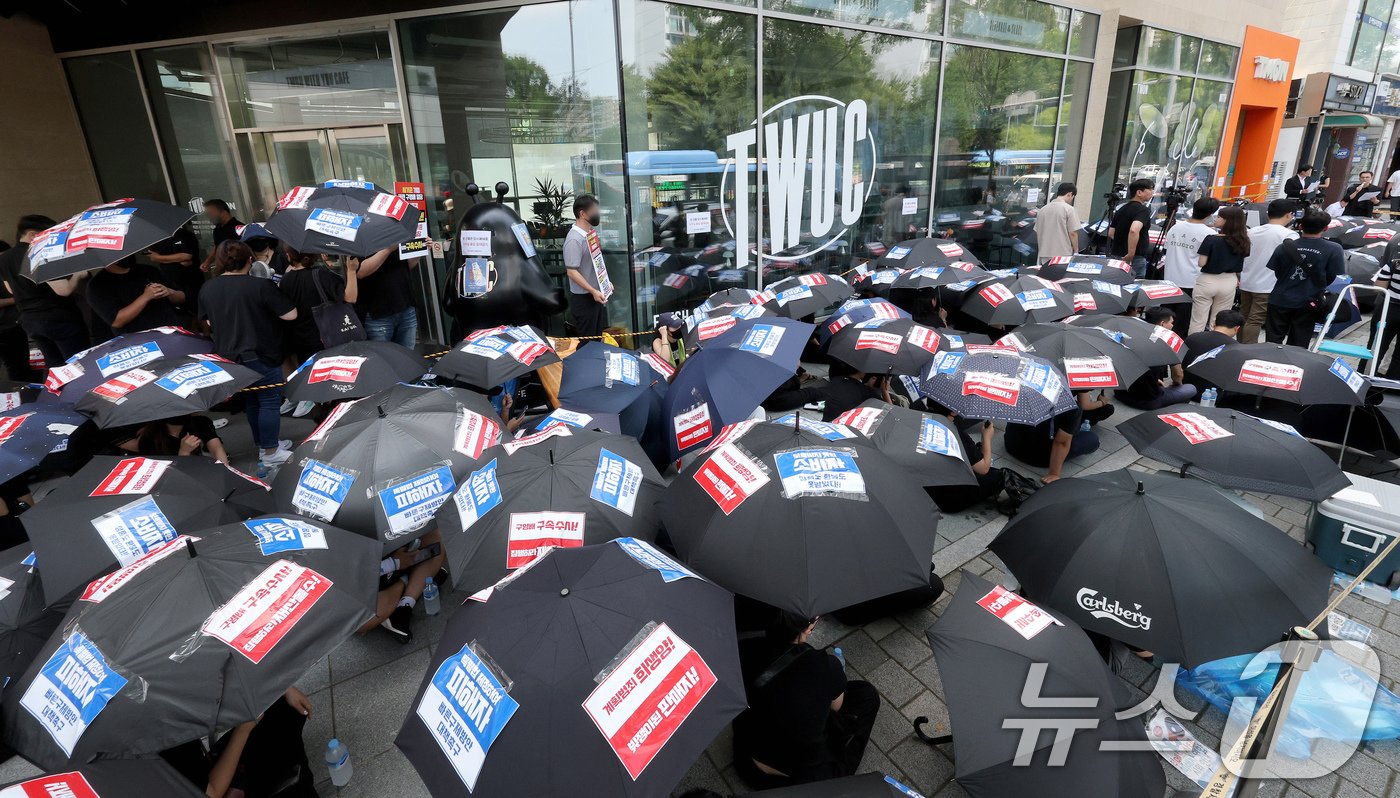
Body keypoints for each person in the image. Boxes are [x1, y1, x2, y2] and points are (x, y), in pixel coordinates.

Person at [733, 611, 879, 788]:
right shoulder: (825, 665)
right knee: (867, 695)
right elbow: (837, 707)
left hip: (747, 760)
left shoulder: (743, 648)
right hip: (798, 780)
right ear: (808, 627)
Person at [198, 241, 298, 469]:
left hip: (229, 358)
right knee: (269, 400)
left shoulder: (208, 288)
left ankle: (264, 444)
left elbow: (209, 322)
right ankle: (271, 451)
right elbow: (290, 315)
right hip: (261, 353)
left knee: (251, 401)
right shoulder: (260, 286)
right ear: (250, 260)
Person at [162, 687, 317, 798]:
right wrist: (243, 730)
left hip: (202, 773)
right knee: (280, 728)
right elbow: (211, 793)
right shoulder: (159, 743)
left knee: (282, 707)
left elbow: (219, 680)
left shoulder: (158, 701)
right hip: (211, 788)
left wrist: (281, 687)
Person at [0, 214, 90, 367]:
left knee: (54, 366)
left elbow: (10, 289)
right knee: (79, 364)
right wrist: (78, 275)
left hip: (30, 321)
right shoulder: (41, 251)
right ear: (33, 234)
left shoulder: (4, 258)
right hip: (59, 318)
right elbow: (64, 290)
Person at [1265, 208, 1345, 347]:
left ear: (1301, 226)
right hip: (1309, 300)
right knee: (1299, 343)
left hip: (1280, 297)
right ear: (1325, 228)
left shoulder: (1284, 247)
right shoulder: (1334, 249)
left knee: (1272, 341)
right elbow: (1332, 276)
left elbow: (1277, 272)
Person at [1004, 391, 1110, 484]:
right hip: (1039, 458)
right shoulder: (1071, 408)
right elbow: (1061, 442)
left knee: (1106, 410)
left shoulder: (1029, 388)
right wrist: (1054, 474)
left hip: (1011, 443)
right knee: (1092, 439)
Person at [279, 246, 360, 366]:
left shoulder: (285, 280)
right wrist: (352, 271)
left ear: (289, 256)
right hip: (326, 338)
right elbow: (350, 297)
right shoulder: (321, 275)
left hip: (301, 342)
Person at [367, 529, 446, 644]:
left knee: (436, 537)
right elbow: (347, 574)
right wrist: (393, 564)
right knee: (362, 623)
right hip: (366, 582)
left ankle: (405, 605)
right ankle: (408, 578)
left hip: (390, 543)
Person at [1239, 199, 1298, 343]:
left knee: (1243, 317)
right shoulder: (1289, 236)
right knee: (1255, 319)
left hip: (1247, 281)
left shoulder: (1252, 231)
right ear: (1289, 215)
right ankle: (1248, 349)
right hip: (1268, 284)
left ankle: (1239, 345)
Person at [1119, 307, 1198, 409]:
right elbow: (1178, 375)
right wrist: (1176, 385)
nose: (1172, 325)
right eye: (1171, 323)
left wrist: (1153, 381)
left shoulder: (1130, 334)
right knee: (1191, 389)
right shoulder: (1168, 341)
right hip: (1148, 400)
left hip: (1121, 394)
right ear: (1162, 324)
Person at [86, 254, 184, 336]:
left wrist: (169, 291)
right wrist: (146, 297)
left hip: (171, 331)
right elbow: (117, 321)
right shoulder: (97, 285)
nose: (126, 255)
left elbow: (182, 297)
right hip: (137, 343)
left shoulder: (148, 270)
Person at [763, 359, 887, 421]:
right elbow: (888, 409)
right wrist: (885, 392)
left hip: (822, 405)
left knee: (809, 393)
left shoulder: (838, 379)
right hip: (828, 410)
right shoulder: (868, 393)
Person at [1162, 197, 1219, 330]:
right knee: (1182, 323)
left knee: (1164, 321)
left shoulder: (1175, 227)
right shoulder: (1210, 234)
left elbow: (1167, 249)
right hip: (1192, 282)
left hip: (1169, 280)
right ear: (1210, 214)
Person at [1189, 206, 1249, 334]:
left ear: (1228, 221)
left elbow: (1201, 262)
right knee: (1220, 321)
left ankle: (1193, 347)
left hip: (1208, 280)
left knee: (1198, 320)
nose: (1216, 218)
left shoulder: (1211, 239)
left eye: (1220, 217)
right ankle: (1215, 348)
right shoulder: (1243, 241)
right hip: (1229, 281)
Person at [564, 194, 610, 337]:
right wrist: (593, 290)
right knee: (588, 343)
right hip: (584, 299)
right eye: (593, 210)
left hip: (595, 296)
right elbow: (572, 272)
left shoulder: (589, 234)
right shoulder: (574, 240)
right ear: (582, 213)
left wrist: (605, 283)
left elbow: (596, 264)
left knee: (597, 339)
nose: (597, 213)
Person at [353, 247, 417, 349]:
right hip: (377, 313)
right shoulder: (360, 238)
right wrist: (388, 249)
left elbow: (406, 266)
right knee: (383, 358)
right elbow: (360, 272)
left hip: (405, 307)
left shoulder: (395, 234)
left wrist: (419, 252)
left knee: (408, 357)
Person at [146, 223, 201, 322]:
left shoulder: (186, 235)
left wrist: (160, 258)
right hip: (170, 280)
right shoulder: (159, 238)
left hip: (190, 279)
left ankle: (205, 334)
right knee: (179, 311)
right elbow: (150, 255)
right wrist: (174, 258)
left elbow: (186, 256)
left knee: (197, 307)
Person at [116, 414, 229, 463]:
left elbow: (216, 448)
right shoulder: (149, 438)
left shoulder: (200, 422)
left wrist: (225, 472)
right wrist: (184, 452)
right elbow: (169, 475)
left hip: (201, 470)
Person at [1183, 309, 1243, 395]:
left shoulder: (1192, 337)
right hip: (1213, 393)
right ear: (1237, 328)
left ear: (1214, 323)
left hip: (1186, 386)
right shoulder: (1236, 347)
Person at [1107, 179, 1155, 278]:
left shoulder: (1121, 209)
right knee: (1133, 287)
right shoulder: (1143, 210)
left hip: (1117, 255)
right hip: (1134, 258)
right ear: (1139, 192)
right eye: (1150, 189)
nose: (1152, 192)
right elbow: (1134, 230)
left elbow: (1111, 233)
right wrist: (1130, 253)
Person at [1033, 182, 1080, 262]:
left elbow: (1037, 230)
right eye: (1073, 197)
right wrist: (1076, 250)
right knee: (1060, 274)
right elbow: (1073, 233)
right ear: (1070, 194)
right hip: (1062, 254)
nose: (1071, 199)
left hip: (1044, 253)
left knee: (1045, 274)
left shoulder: (1043, 210)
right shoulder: (1069, 209)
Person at [199, 199, 242, 273]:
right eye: (208, 215)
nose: (209, 217)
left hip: (238, 270)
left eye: (211, 213)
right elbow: (217, 247)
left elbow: (244, 251)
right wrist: (207, 262)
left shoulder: (239, 228)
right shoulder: (217, 230)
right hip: (223, 270)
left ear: (223, 212)